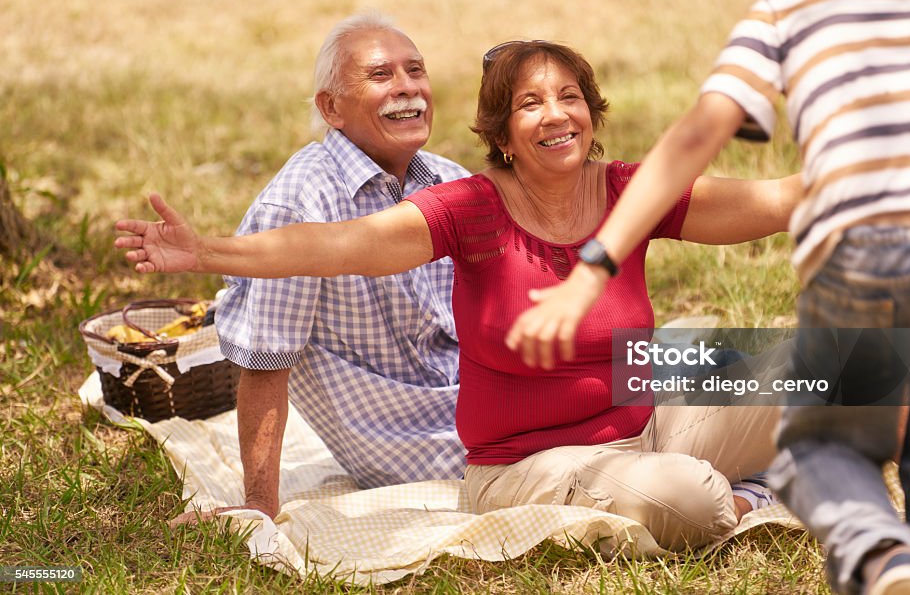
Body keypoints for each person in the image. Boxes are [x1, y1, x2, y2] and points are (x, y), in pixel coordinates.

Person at [507, 0, 910, 593]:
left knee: (814, 448)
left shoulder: (792, 5)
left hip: (868, 253)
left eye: (569, 96)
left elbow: (697, 136)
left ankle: (880, 550)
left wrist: (592, 267)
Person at [115, 40, 802, 550]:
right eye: (531, 103)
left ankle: (752, 462)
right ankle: (743, 493)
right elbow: (340, 243)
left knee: (859, 365)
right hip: (525, 463)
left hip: (649, 413)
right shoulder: (469, 208)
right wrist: (205, 250)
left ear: (592, 113)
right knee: (687, 497)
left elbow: (771, 201)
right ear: (501, 133)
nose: (556, 115)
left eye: (569, 97)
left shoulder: (628, 191)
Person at [182, 13, 471, 524]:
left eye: (416, 70)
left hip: (488, 395)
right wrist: (260, 504)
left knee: (641, 363)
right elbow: (264, 362)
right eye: (381, 76)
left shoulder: (449, 180)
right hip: (428, 445)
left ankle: (654, 400)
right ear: (331, 108)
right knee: (631, 410)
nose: (408, 89)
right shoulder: (302, 201)